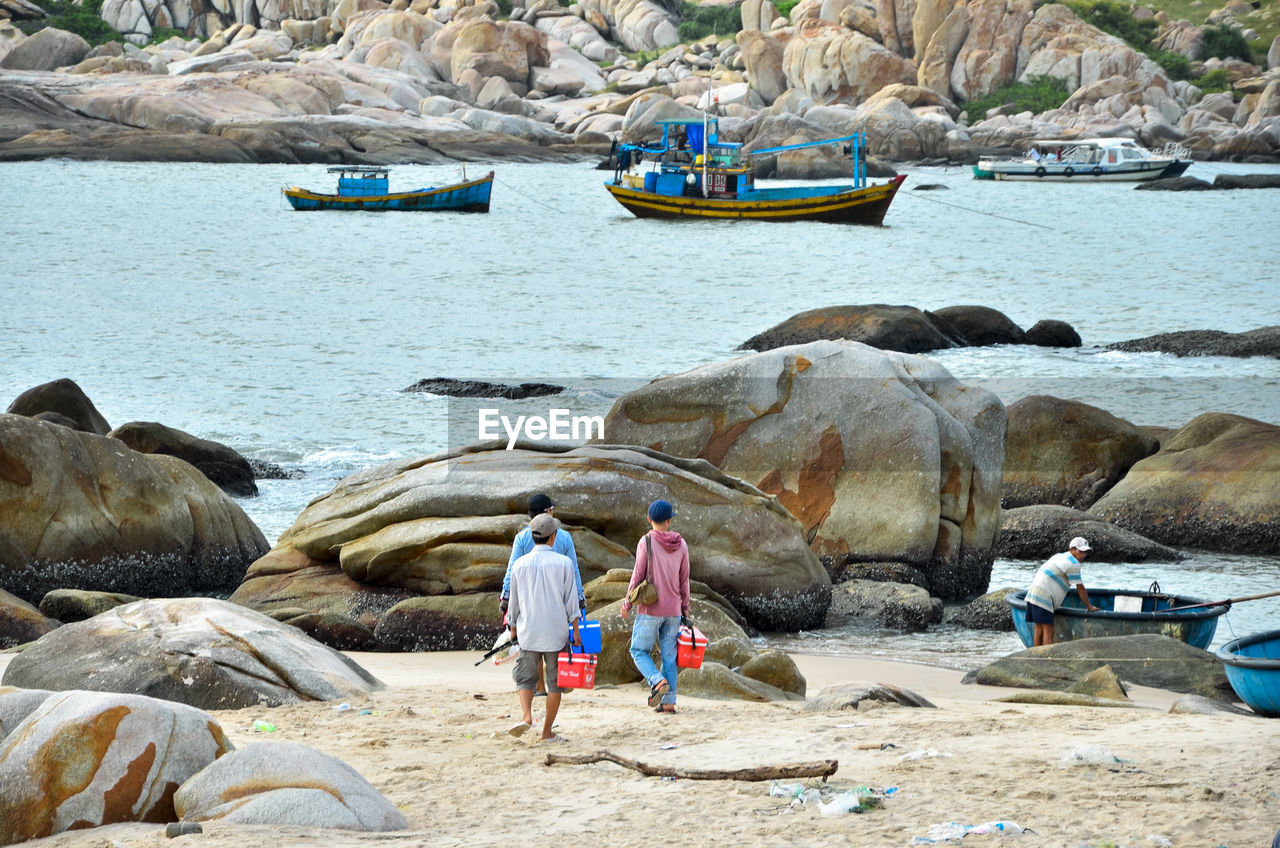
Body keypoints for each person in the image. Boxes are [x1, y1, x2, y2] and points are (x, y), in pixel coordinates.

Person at [506, 512, 581, 742]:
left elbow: (514, 603)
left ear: (532, 536)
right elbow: (571, 601)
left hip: (528, 631)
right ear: (553, 537)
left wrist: (513, 629)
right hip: (556, 633)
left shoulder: (519, 564)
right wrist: (576, 630)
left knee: (525, 680)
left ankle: (527, 716)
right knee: (555, 684)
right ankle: (547, 732)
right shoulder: (564, 563)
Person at [501, 494, 585, 696]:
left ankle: (539, 687)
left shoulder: (522, 537)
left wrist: (506, 597)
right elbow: (573, 571)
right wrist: (579, 598)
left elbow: (512, 569)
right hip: (557, 599)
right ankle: (556, 683)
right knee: (555, 641)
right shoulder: (563, 537)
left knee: (531, 640)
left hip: (529, 599)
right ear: (547, 511)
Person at [620, 499, 690, 714]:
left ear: (649, 519)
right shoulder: (681, 544)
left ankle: (657, 681)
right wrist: (685, 607)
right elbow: (684, 579)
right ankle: (668, 702)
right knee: (669, 656)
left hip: (651, 609)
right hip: (674, 610)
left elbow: (637, 575)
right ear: (669, 520)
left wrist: (627, 604)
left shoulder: (646, 542)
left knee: (638, 650)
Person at [1025, 536, 1099, 647]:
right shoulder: (1073, 563)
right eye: (1081, 551)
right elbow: (1080, 588)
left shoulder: (1059, 556)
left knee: (1039, 629)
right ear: (1072, 549)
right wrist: (1089, 606)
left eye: (1086, 552)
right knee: (1048, 631)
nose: (1083, 555)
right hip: (1044, 596)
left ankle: (1037, 658)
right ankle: (1047, 659)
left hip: (1033, 592)